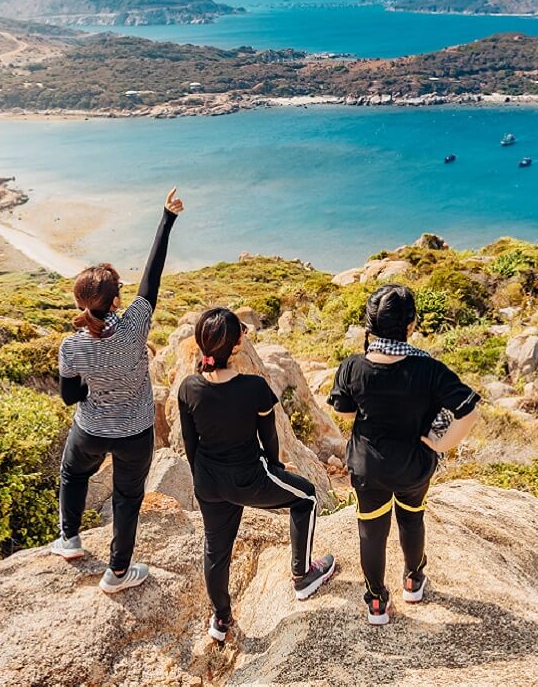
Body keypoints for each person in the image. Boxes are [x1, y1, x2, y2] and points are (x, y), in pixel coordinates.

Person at [49, 188, 185, 595]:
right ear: (117, 300)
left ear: (79, 301)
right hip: (135, 432)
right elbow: (152, 277)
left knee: (73, 474)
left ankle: (69, 540)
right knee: (127, 499)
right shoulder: (135, 325)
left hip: (90, 429)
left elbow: (70, 398)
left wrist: (96, 389)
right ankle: (118, 573)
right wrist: (166, 218)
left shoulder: (72, 346)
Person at [177, 307, 336, 642]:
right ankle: (304, 575)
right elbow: (269, 438)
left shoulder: (189, 388)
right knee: (305, 496)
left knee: (216, 551)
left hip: (208, 481)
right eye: (242, 334)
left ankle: (220, 620)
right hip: (249, 478)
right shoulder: (253, 388)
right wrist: (277, 468)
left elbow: (190, 444)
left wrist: (204, 479)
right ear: (236, 347)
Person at [328, 284, 481, 625]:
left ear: (370, 324)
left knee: (371, 531)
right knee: (412, 518)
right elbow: (469, 412)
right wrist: (440, 443)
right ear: (411, 324)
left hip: (368, 468)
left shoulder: (353, 367)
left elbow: (345, 412)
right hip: (414, 465)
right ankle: (413, 580)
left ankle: (377, 602)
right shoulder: (430, 370)